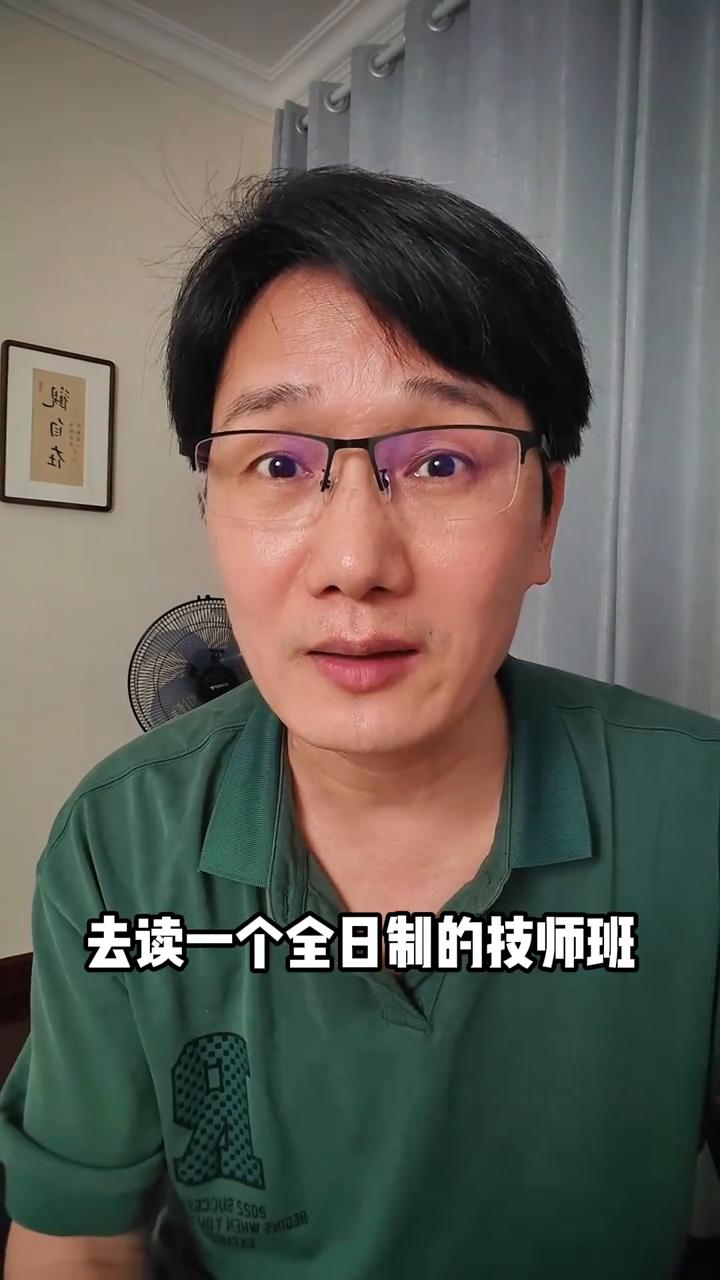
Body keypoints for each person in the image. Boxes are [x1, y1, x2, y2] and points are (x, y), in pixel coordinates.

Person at [1, 164, 719, 1280]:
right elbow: (79, 1246)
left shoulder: (698, 813)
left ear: (546, 517)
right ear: (211, 506)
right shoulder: (118, 839)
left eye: (439, 460)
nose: (353, 563)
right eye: (278, 463)